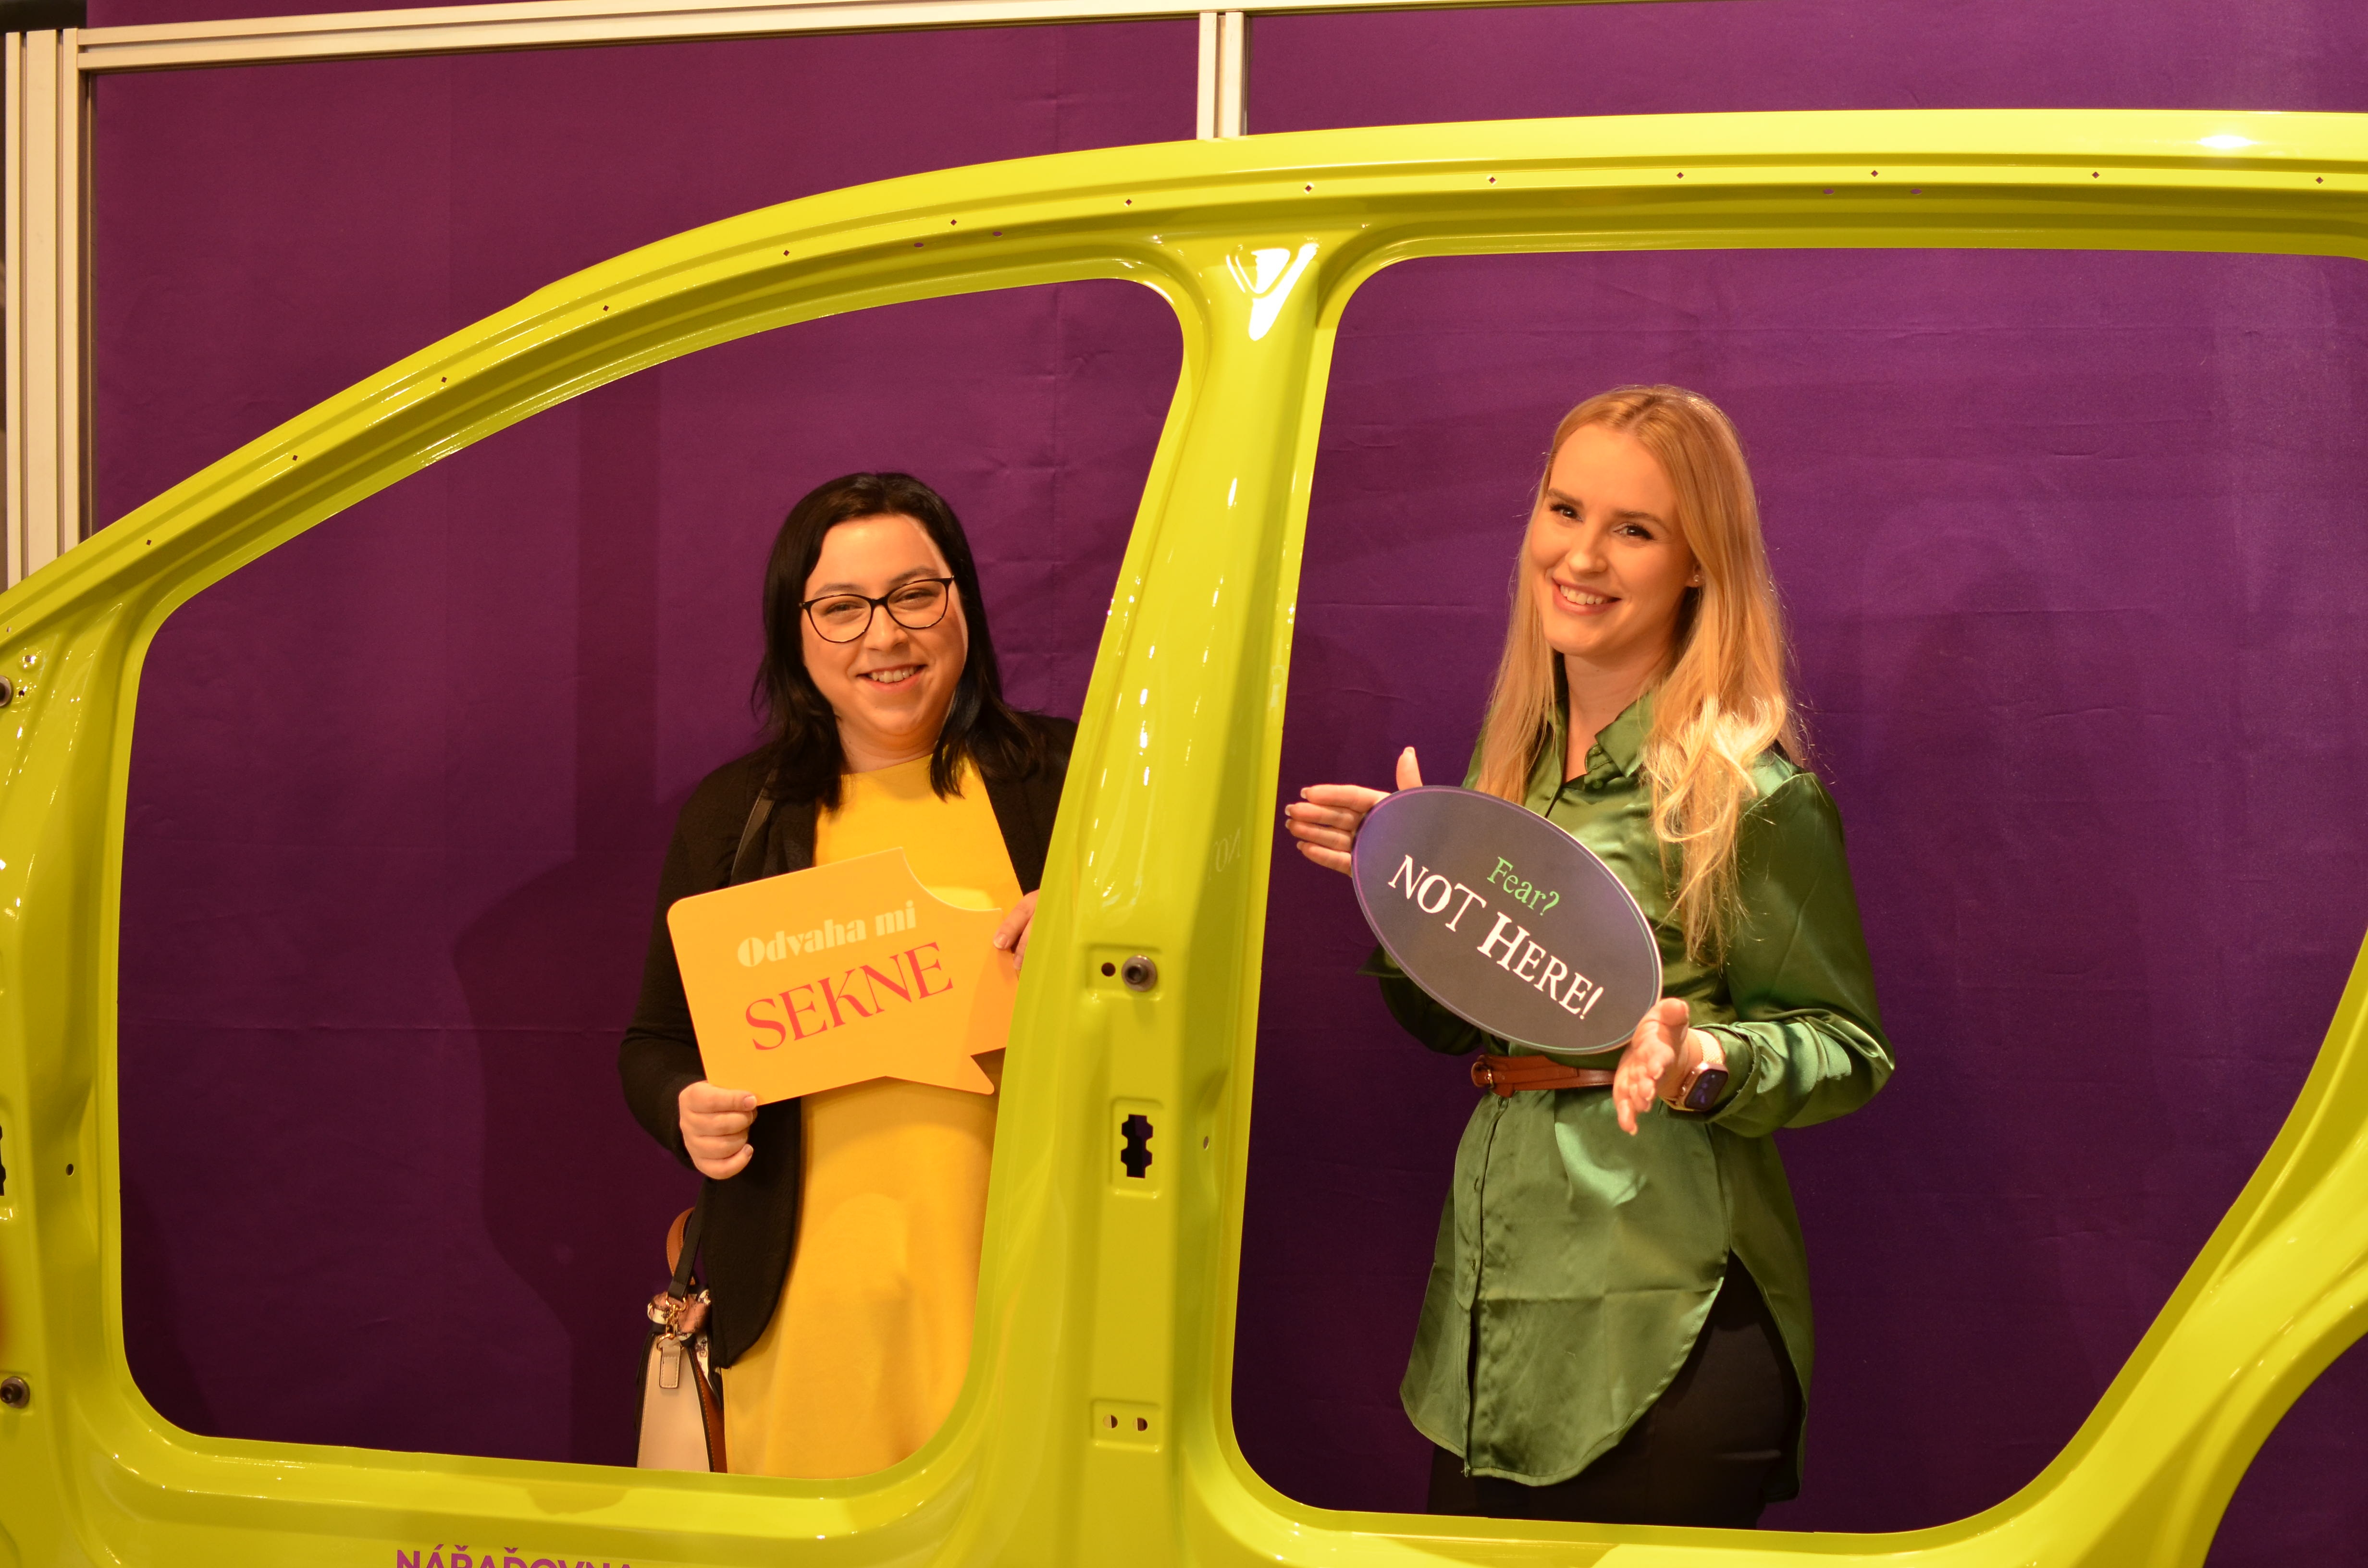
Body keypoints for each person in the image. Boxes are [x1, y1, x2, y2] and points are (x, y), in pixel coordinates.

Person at [1282, 387, 1892, 1527]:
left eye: (1634, 529)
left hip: (1666, 1330)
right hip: (1490, 1336)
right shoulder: (1509, 768)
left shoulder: (1746, 794)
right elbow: (1456, 1027)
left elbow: (1846, 1047)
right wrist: (1411, 890)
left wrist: (1703, 1060)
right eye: (1564, 509)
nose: (1580, 556)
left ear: (1698, 564)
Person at [618, 471, 1073, 1478]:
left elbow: (1183, 1002)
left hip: (1032, 1306)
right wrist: (685, 1109)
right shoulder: (733, 817)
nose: (885, 636)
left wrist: (1103, 944)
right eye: (841, 608)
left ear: (963, 602)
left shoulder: (1071, 785)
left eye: (916, 595)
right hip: (803, 1324)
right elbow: (655, 1044)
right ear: (796, 632)